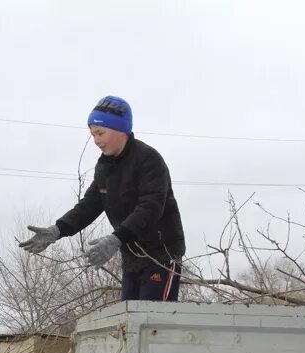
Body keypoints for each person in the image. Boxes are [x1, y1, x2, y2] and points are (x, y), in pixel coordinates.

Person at [19, 95, 186, 302]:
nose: (96, 140)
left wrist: (116, 238)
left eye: (100, 133)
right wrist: (58, 229)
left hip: (161, 254)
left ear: (121, 130)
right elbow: (89, 204)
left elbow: (151, 207)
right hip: (131, 255)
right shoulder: (105, 166)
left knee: (153, 321)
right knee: (130, 319)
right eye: (92, 135)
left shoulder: (148, 159)